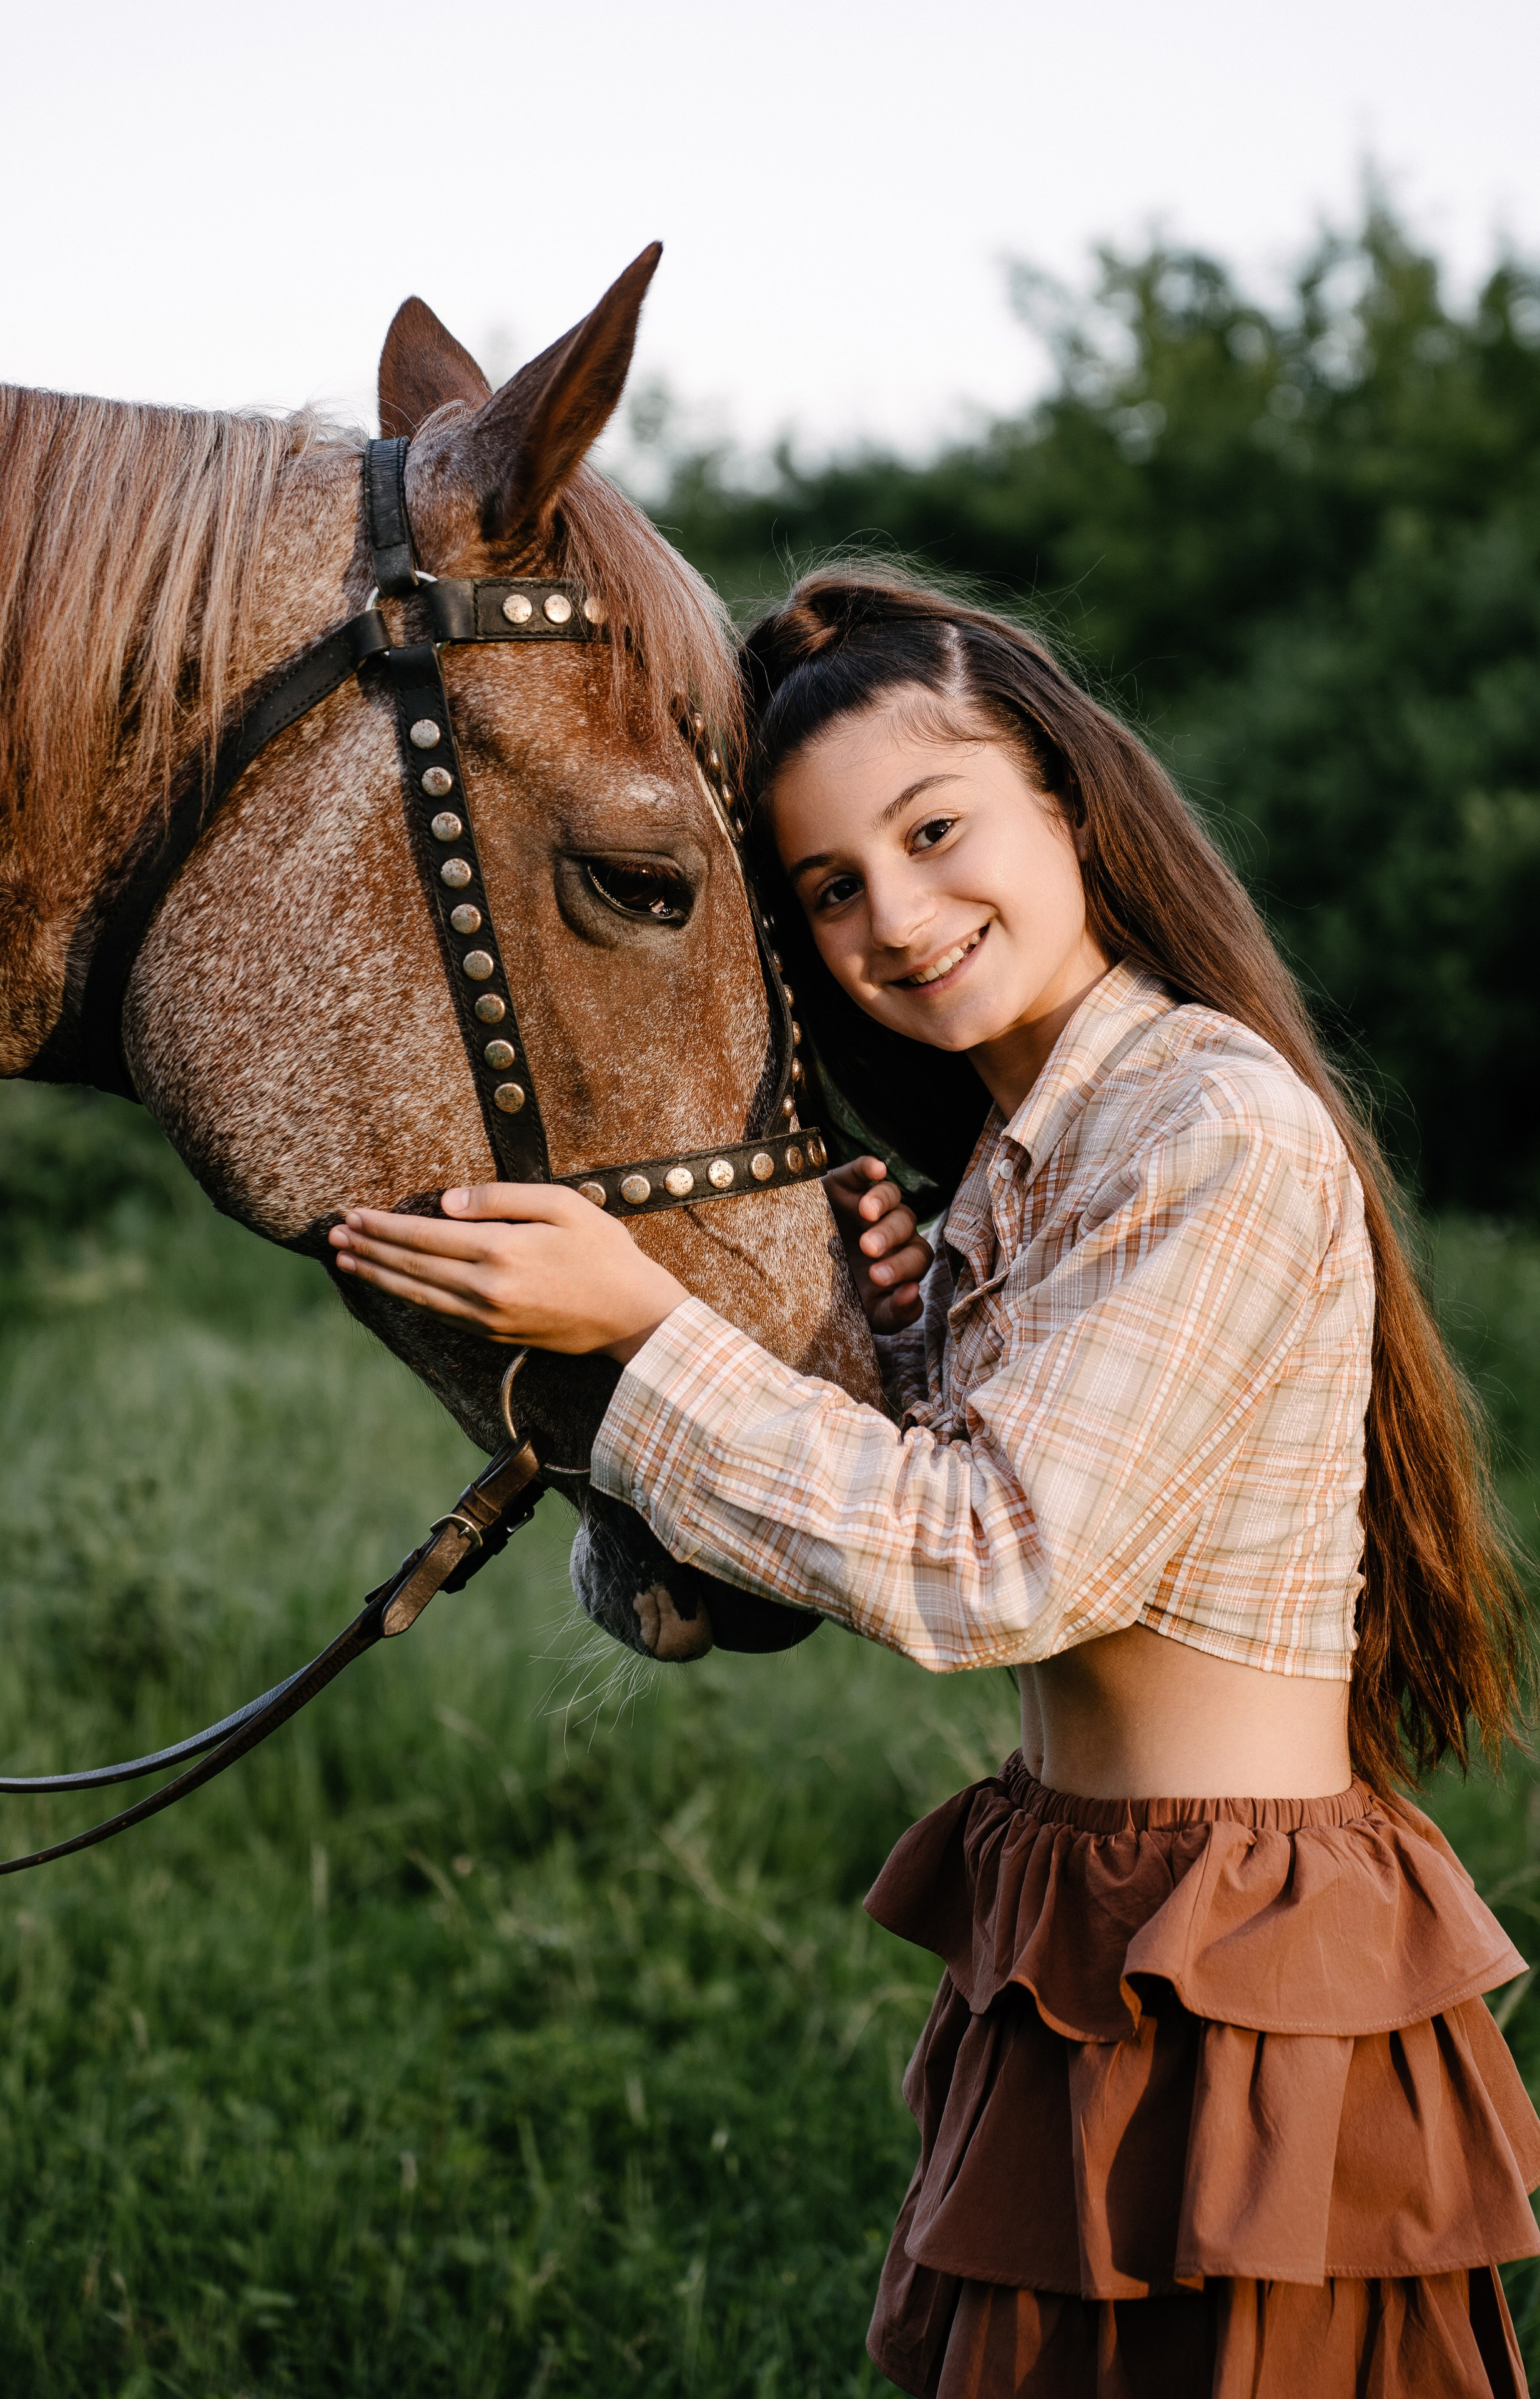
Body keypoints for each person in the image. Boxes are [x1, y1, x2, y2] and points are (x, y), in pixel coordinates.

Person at [328, 569, 1540, 2397]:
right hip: (1081, 1902)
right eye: (829, 885)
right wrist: (879, 1344)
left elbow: (999, 1567)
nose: (896, 913)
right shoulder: (1014, 1166)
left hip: (1243, 1949)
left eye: (935, 825)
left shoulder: (1210, 1123)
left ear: (1068, 793)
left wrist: (646, 1327)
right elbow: (921, 1494)